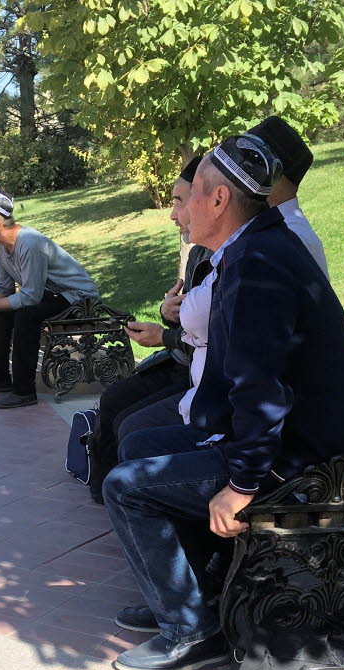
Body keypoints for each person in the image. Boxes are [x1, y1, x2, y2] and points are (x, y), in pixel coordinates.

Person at [104, 135, 344, 670]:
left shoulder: (257, 266)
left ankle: (193, 634)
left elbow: (261, 392)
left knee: (125, 488)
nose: (180, 208)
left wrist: (241, 487)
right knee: (139, 445)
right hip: (281, 441)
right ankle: (189, 594)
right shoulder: (254, 247)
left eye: (190, 194)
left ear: (218, 201)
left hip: (297, 461)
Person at [116, 115, 329, 440]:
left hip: (250, 417)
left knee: (132, 442)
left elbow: (237, 339)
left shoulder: (281, 239)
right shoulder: (259, 235)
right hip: (220, 395)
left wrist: (169, 332)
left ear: (271, 171)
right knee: (125, 427)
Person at [86, 157, 214, 503]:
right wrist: (167, 313)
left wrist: (164, 334)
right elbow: (191, 317)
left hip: (199, 378)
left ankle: (128, 499)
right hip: (182, 362)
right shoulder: (202, 251)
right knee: (113, 401)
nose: (173, 215)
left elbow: (216, 342)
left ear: (215, 200)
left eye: (178, 201)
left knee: (132, 427)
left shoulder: (235, 258)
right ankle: (108, 497)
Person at [0, 188, 99, 409]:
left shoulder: (30, 244)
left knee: (27, 315)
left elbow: (30, 296)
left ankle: (24, 392)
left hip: (79, 298)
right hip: (52, 294)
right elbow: (2, 287)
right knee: (1, 311)